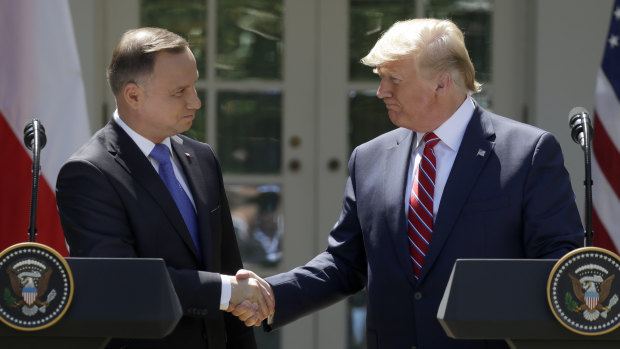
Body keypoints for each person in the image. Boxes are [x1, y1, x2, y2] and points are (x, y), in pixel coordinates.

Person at [233, 18, 584, 348]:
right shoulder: (369, 158)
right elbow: (345, 263)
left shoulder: (528, 153)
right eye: (380, 78)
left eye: (394, 79)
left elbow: (557, 264)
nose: (381, 91)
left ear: (442, 83)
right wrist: (271, 293)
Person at [55, 27, 273, 348]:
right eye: (179, 91)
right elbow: (122, 282)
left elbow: (228, 266)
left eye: (194, 85)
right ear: (133, 95)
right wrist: (224, 291)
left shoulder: (202, 157)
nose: (195, 101)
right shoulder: (88, 173)